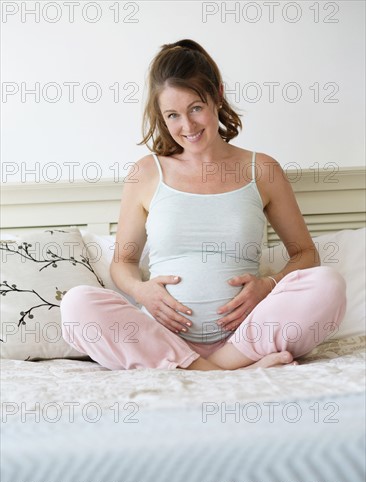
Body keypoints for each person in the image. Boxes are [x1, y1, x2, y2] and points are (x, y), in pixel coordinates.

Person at [60, 39, 347, 371]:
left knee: (328, 284)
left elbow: (305, 254)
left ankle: (212, 367)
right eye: (173, 115)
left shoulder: (262, 169)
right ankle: (229, 373)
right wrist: (142, 292)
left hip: (245, 335)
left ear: (217, 95)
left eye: (195, 107)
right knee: (78, 304)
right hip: (164, 335)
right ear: (161, 116)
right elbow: (123, 262)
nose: (188, 126)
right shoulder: (145, 174)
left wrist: (268, 286)